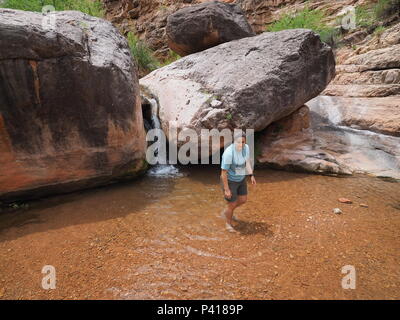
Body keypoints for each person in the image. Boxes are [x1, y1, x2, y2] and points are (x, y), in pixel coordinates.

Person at [220, 132, 256, 232]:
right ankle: (228, 224)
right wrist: (227, 189)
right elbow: (223, 173)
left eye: (243, 142)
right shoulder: (228, 153)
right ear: (234, 142)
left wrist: (251, 175)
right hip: (230, 180)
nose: (241, 144)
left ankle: (227, 211)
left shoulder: (246, 148)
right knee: (232, 204)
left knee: (243, 199)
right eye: (238, 142)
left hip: (241, 178)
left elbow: (247, 161)